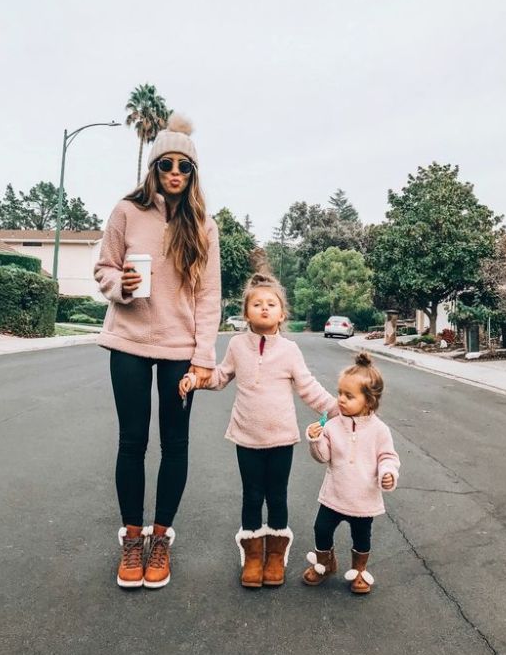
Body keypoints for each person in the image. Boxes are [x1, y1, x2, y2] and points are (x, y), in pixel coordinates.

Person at [94, 114, 221, 590]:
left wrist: (203, 356)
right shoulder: (126, 211)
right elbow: (104, 267)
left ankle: (161, 537)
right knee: (132, 441)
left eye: (184, 166)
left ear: (192, 174)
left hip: (179, 348)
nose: (174, 172)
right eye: (166, 164)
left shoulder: (204, 226)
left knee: (175, 443)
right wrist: (119, 285)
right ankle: (131, 538)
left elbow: (209, 297)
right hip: (127, 339)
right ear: (153, 168)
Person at [179, 272, 338, 588]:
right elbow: (221, 376)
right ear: (246, 311)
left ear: (282, 313)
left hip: (281, 439)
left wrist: (339, 409)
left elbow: (308, 388)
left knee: (277, 496)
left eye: (271, 304)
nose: (264, 308)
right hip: (246, 437)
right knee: (252, 496)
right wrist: (196, 380)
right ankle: (252, 557)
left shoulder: (290, 350)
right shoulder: (237, 345)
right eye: (256, 303)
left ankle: (275, 556)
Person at [302, 351, 400, 594]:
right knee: (321, 529)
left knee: (362, 536)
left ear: (369, 401)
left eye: (349, 396)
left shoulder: (380, 430)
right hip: (334, 494)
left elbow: (388, 457)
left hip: (364, 499)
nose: (341, 400)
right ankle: (325, 563)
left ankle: (359, 572)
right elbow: (322, 457)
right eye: (339, 394)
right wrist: (315, 440)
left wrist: (388, 473)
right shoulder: (332, 426)